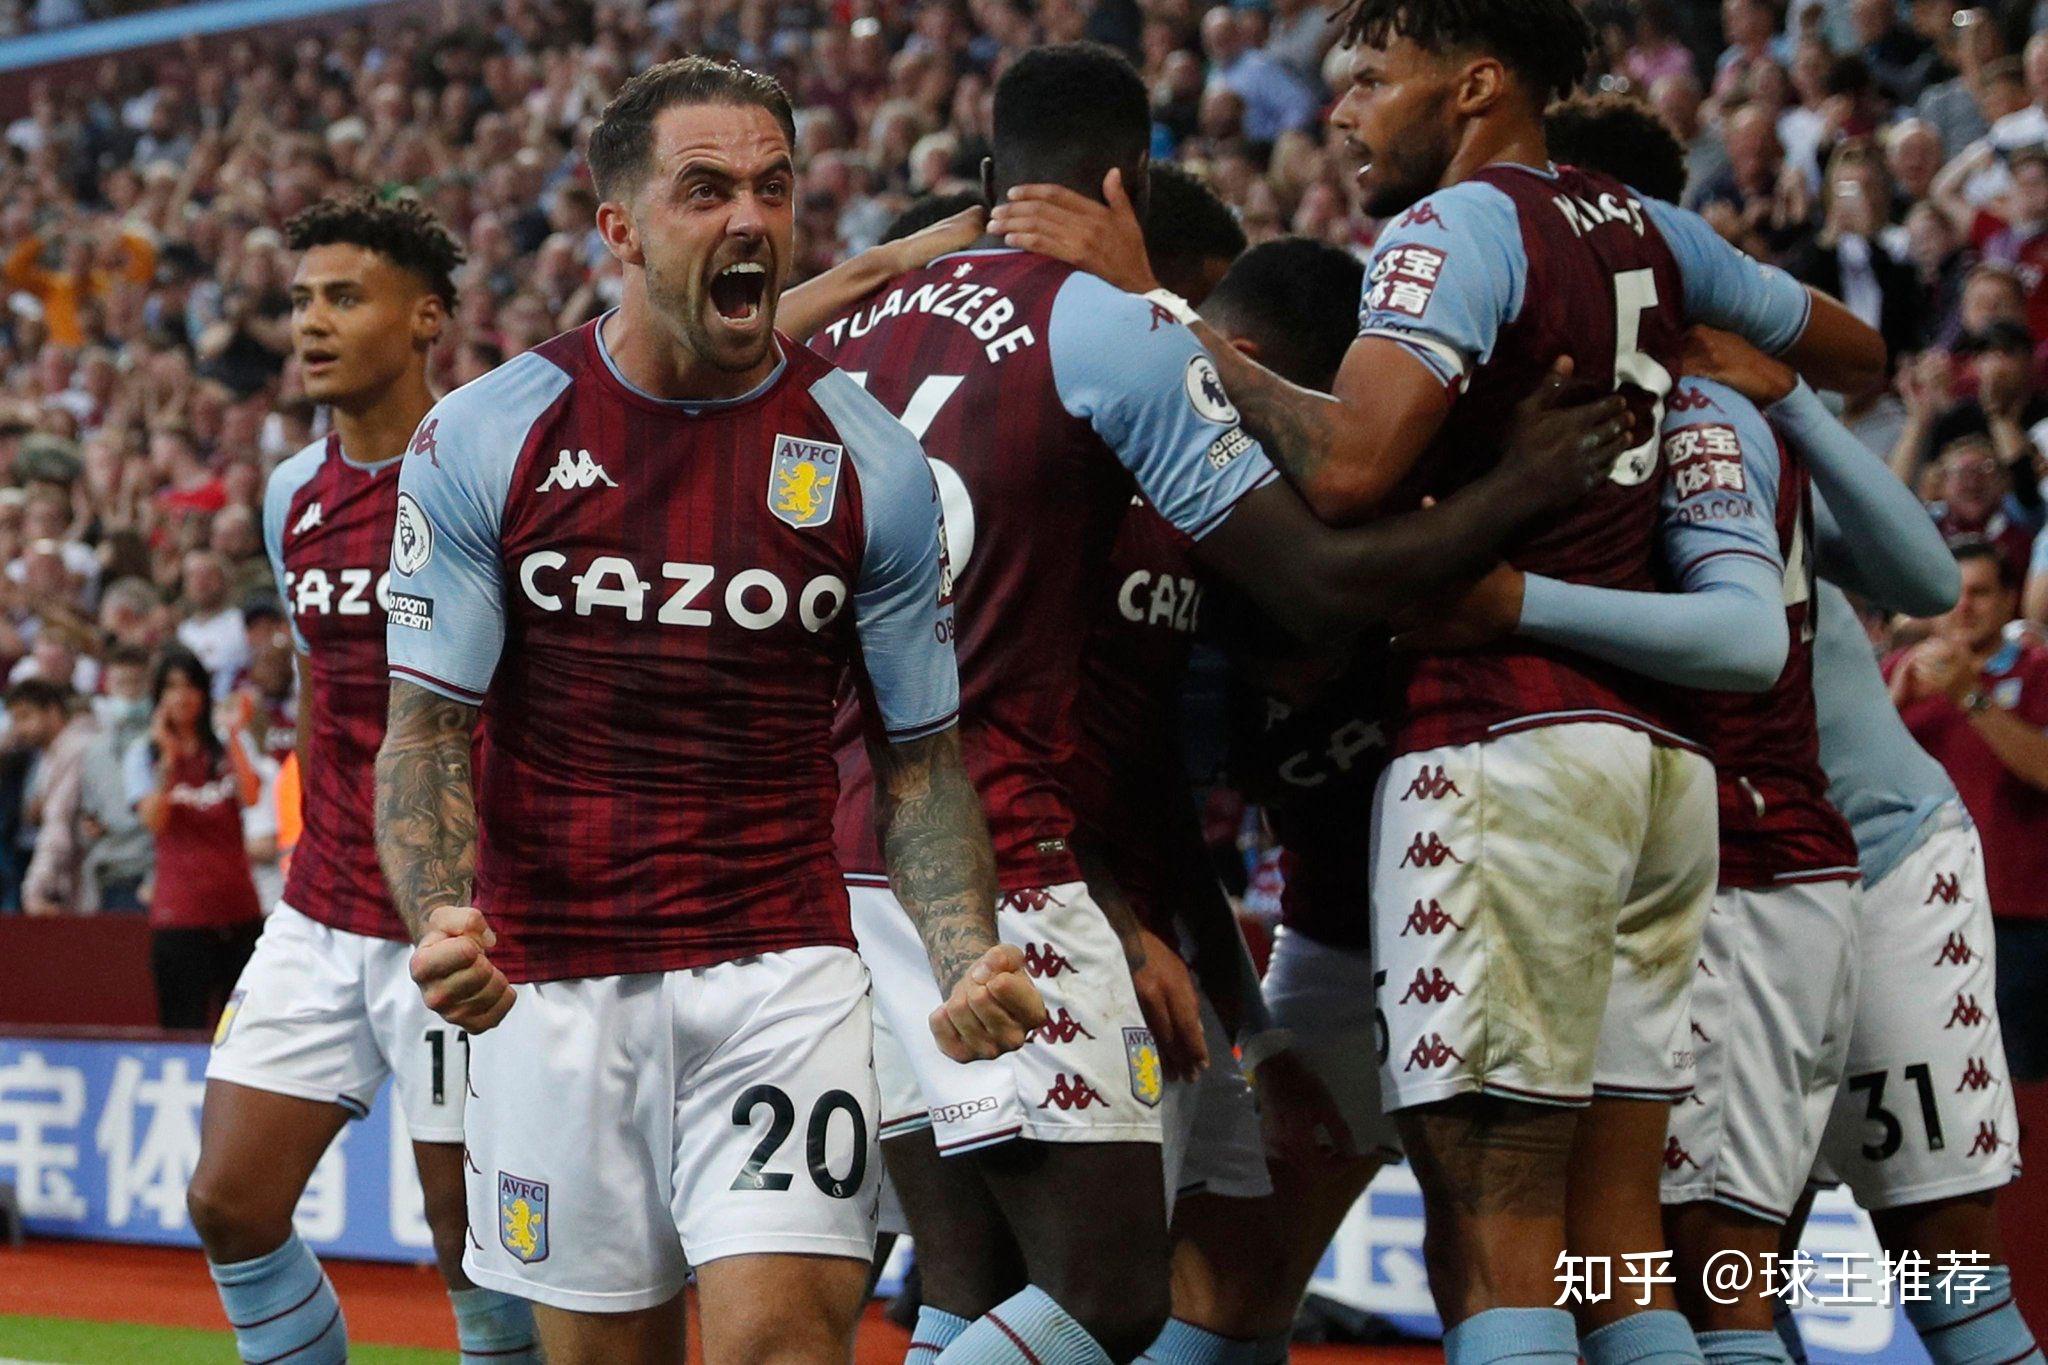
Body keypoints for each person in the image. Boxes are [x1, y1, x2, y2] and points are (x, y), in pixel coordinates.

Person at [984, 4, 1887, 1362]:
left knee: (1492, 1244)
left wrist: (1155, 317)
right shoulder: (1657, 233)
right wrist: (1712, 367)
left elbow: (1350, 472)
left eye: (1372, 77)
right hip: (1648, 772)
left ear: (1472, 87)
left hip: (1503, 749)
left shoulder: (1454, 229)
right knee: (1614, 1258)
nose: (1341, 110)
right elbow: (1858, 354)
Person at [811, 39, 1638, 1365]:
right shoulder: (1113, 334)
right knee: (1105, 1295)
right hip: (1007, 850)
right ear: (1128, 183)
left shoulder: (849, 335)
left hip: (863, 852)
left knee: (970, 1285)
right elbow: (1313, 580)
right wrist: (1519, 490)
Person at [373, 57, 1046, 1365]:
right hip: (553, 980)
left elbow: (921, 765)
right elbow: (428, 732)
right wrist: (440, 913)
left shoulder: (871, 459)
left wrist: (965, 949)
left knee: (780, 1344)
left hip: (778, 972)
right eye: (705, 190)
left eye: (773, 187)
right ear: (620, 227)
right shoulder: (488, 435)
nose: (751, 217)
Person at [181, 194, 540, 1365]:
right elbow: (314, 685)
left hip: (458, 917)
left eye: (345, 297)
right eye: (300, 302)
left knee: (467, 1240)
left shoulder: (498, 476)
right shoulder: (292, 493)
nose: (311, 324)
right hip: (322, 902)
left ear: (427, 317)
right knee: (228, 1202)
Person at [1887, 540, 2048, 1085]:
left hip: (2019, 918)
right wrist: (1893, 704)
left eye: (1980, 593)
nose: (1964, 607)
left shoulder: (2039, 671)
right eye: (1952, 594)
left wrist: (1970, 696)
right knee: (1932, 1074)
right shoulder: (1902, 674)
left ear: (2008, 600)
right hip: (1921, 915)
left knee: (2019, 1082)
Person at [126, 647, 262, 1029]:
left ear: (204, 693)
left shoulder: (225, 746)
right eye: (171, 687)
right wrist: (168, 763)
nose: (181, 697)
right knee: (182, 1029)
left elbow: (251, 796)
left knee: (244, 1031)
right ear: (158, 698)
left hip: (239, 909)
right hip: (180, 917)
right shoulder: (144, 753)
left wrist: (234, 734)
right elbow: (154, 821)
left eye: (190, 686)